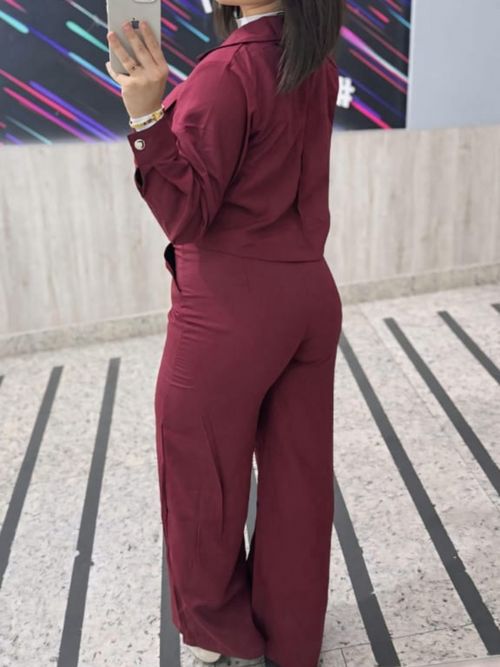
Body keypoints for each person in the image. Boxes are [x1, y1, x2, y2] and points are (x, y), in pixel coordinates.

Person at [105, 0, 345, 664]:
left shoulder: (228, 69)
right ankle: (293, 640)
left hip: (229, 309)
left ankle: (221, 634)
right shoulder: (313, 60)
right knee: (299, 482)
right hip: (309, 293)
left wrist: (145, 116)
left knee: (200, 477)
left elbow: (186, 212)